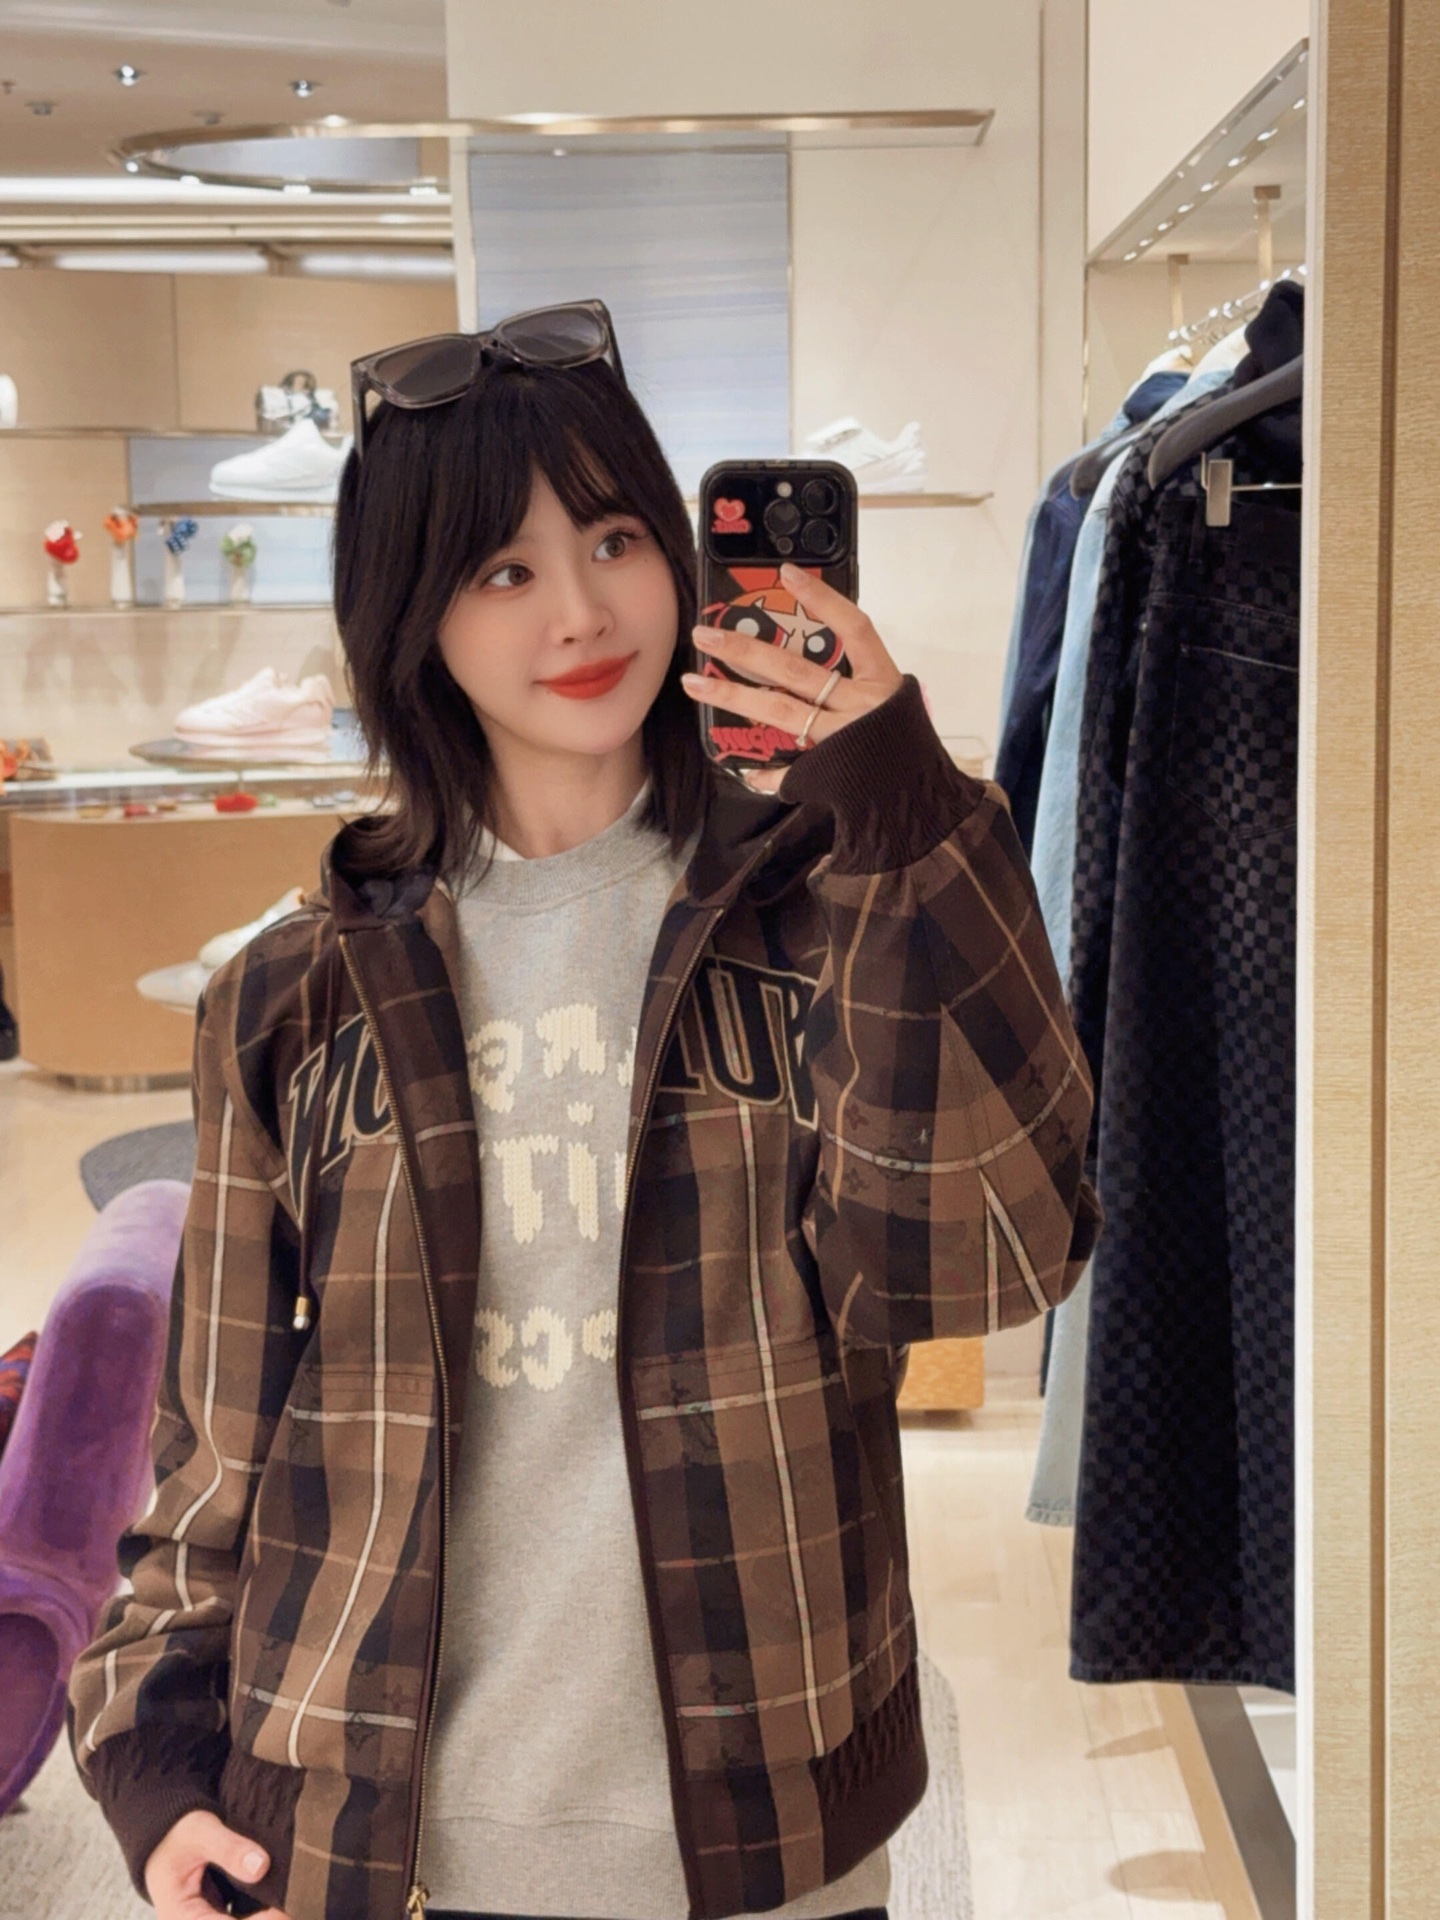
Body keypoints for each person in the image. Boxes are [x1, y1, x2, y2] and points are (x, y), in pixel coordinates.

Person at [67, 302, 1100, 1920]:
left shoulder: (831, 908)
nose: (581, 609)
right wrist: (151, 1754)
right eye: (503, 569)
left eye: (615, 538)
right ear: (413, 615)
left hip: (764, 1836)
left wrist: (903, 809)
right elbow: (219, 1437)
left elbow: (977, 1265)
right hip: (386, 1840)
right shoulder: (292, 994)